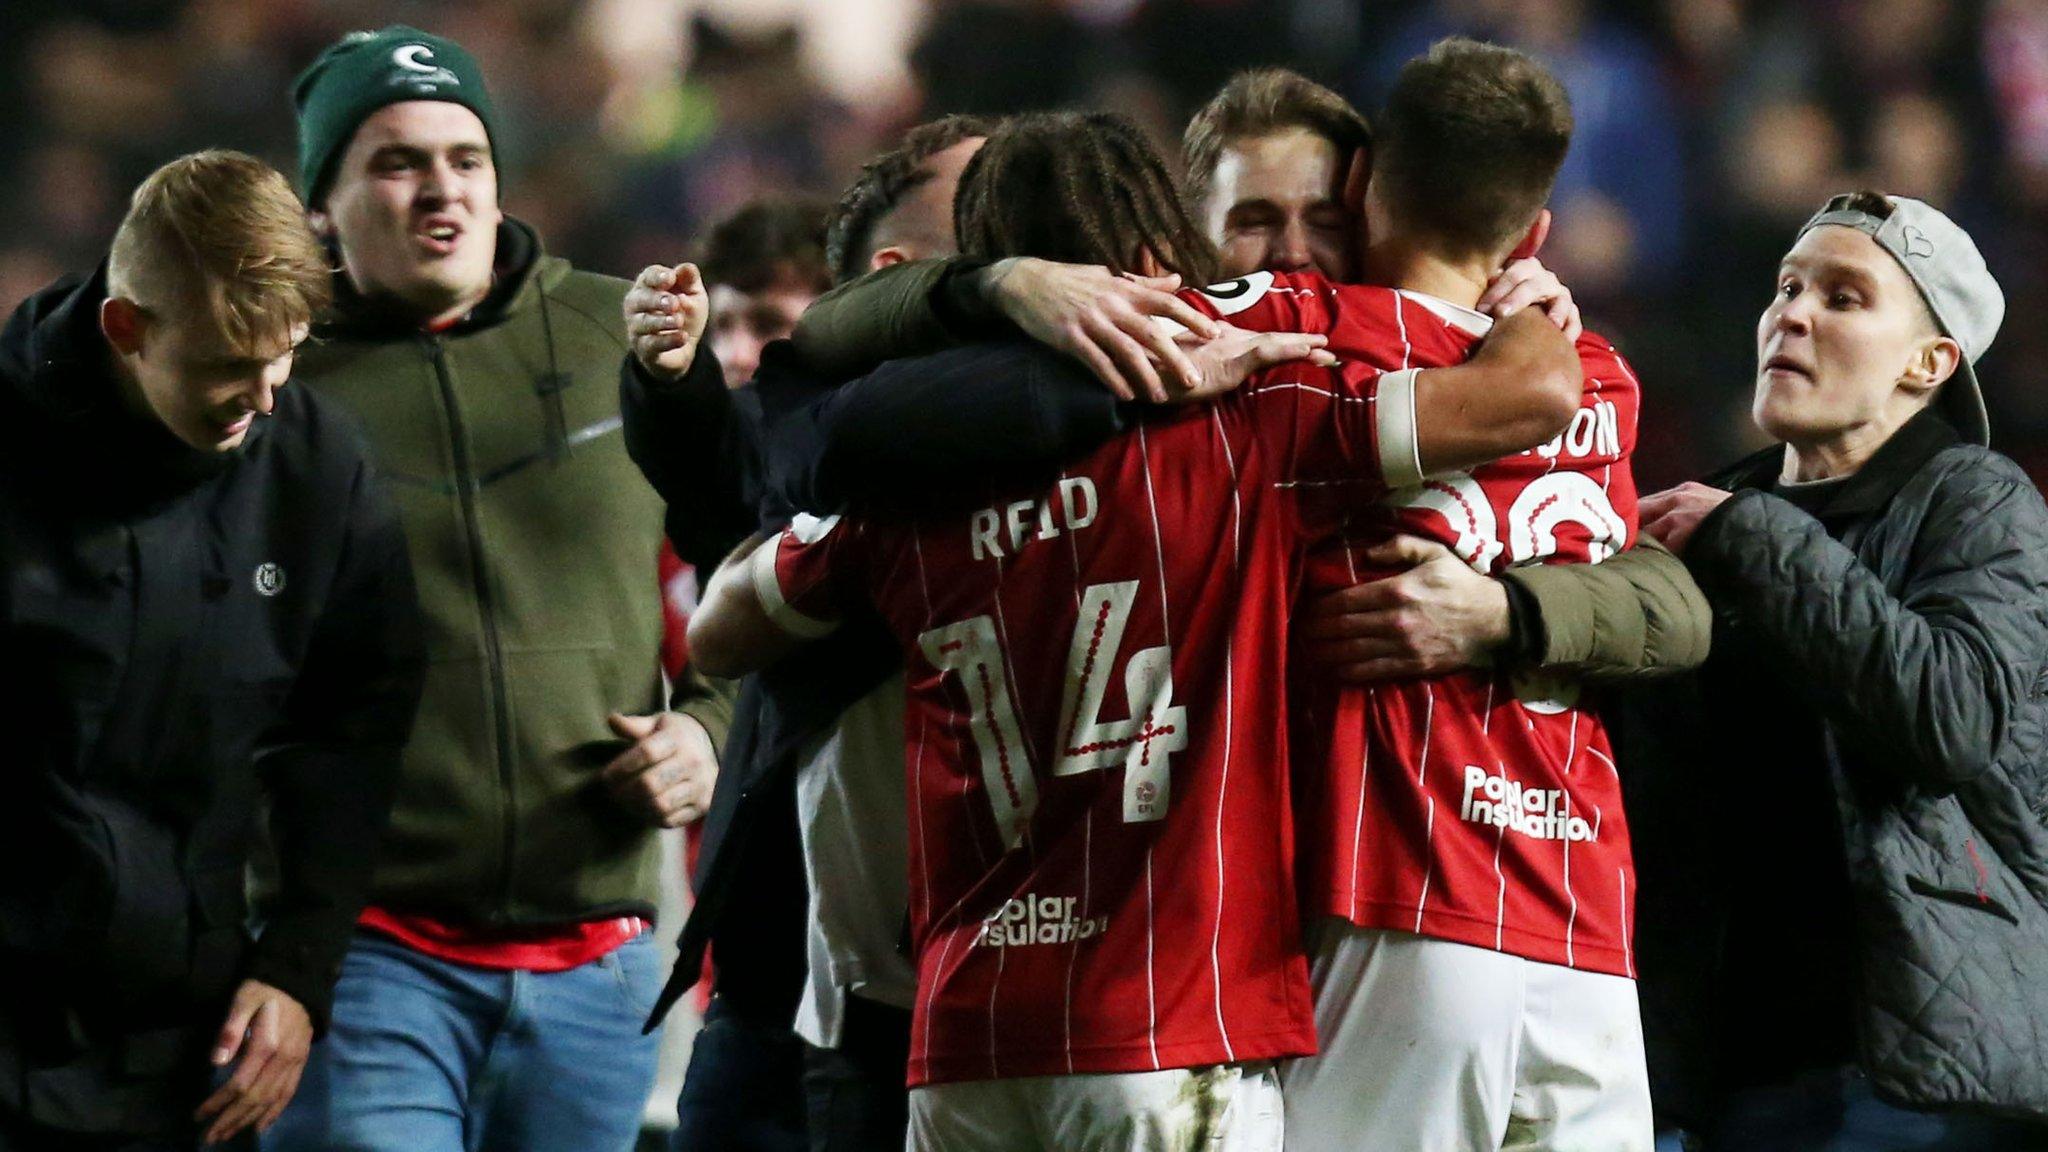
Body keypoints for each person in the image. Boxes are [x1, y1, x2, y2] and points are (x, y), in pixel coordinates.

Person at [685, 108, 1585, 1152]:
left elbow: (718, 632)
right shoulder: (1245, 414)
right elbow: (1527, 399)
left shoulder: (902, 483)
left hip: (967, 1038)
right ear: (1160, 253)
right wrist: (1520, 294)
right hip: (1162, 1027)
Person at [260, 27, 738, 1152]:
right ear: (320, 203)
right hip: (369, 954)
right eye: (395, 161)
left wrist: (708, 729)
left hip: (602, 956)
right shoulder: (275, 376)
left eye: (466, 158)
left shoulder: (618, 332)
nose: (441, 189)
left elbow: (748, 560)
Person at [1271, 40, 1653, 1151]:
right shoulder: (1607, 382)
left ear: (1357, 187)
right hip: (1582, 922)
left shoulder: (1313, 346)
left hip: (1407, 896)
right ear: (1532, 236)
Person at [0, 150, 423, 1150]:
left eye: (285, 360)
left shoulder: (318, 470)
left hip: (183, 1061)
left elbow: (352, 734)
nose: (265, 398)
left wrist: (298, 969)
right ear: (126, 328)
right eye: (230, 368)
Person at [1627, 193, 2048, 1151]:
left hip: (1905, 1082)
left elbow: (1951, 717)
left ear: (1929, 363)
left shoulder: (1975, 500)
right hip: (1710, 1075)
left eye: (1845, 297)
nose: (1794, 313)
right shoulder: (1715, 516)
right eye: (1787, 287)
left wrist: (1757, 534)